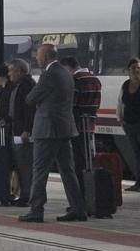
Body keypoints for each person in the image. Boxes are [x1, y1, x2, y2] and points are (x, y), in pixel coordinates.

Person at [19, 44, 86, 223]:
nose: (37, 58)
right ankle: (78, 208)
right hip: (64, 128)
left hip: (47, 129)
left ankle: (36, 209)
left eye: (39, 55)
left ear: (47, 56)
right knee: (68, 170)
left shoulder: (48, 75)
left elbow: (30, 99)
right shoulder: (65, 72)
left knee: (40, 170)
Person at [60, 55, 101, 185]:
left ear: (67, 67)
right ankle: (90, 192)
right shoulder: (94, 79)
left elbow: (71, 105)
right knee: (87, 160)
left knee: (77, 161)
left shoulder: (75, 79)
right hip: (89, 124)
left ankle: (81, 194)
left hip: (76, 126)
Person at [9, 59, 37, 205]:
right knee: (21, 166)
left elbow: (30, 110)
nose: (9, 74)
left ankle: (28, 196)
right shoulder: (20, 85)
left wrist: (27, 129)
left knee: (26, 166)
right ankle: (24, 195)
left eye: (11, 70)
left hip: (24, 133)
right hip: (18, 130)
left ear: (19, 71)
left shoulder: (27, 85)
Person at [119, 57, 140, 192]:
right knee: (136, 153)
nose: (136, 70)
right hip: (129, 124)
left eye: (138, 68)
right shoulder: (125, 85)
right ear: (128, 70)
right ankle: (138, 182)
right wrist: (120, 118)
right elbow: (120, 102)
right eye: (133, 68)